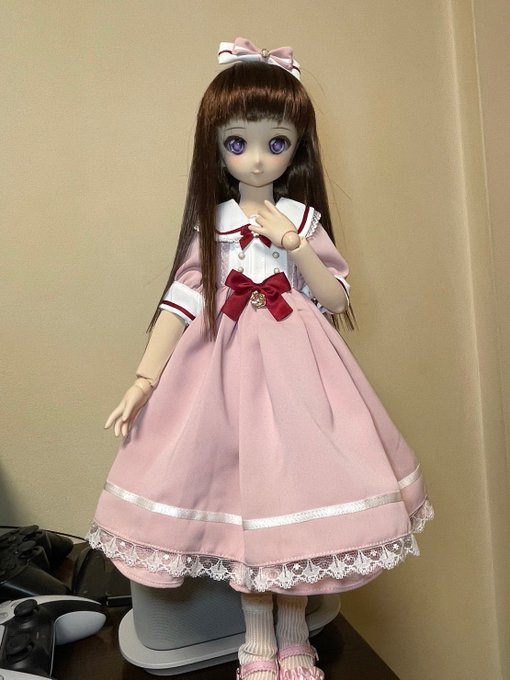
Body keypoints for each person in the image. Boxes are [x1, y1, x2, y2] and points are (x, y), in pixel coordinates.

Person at [88, 38, 433, 680]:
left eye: (276, 142)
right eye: (236, 142)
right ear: (216, 149)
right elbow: (181, 302)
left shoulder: (300, 217)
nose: (255, 158)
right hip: (221, 378)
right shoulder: (213, 222)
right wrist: (144, 379)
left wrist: (295, 245)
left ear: (297, 147)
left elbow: (335, 297)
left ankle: (295, 636)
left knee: (294, 497)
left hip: (299, 374)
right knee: (243, 504)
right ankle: (256, 641)